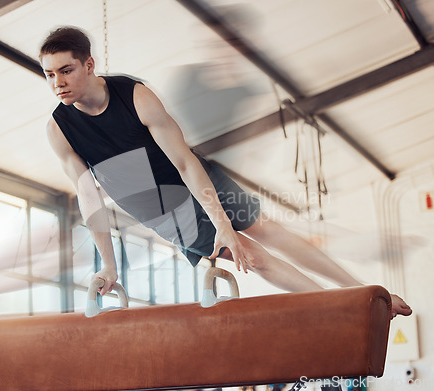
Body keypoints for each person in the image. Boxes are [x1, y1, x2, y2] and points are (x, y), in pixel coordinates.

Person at [39, 27, 411, 318]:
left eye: (66, 70)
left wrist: (221, 223)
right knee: (253, 256)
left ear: (89, 64)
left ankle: (361, 291)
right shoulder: (60, 129)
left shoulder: (134, 96)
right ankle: (340, 305)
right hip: (163, 211)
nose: (58, 83)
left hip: (196, 178)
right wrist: (109, 265)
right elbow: (90, 198)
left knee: (268, 230)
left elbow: (185, 162)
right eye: (50, 74)